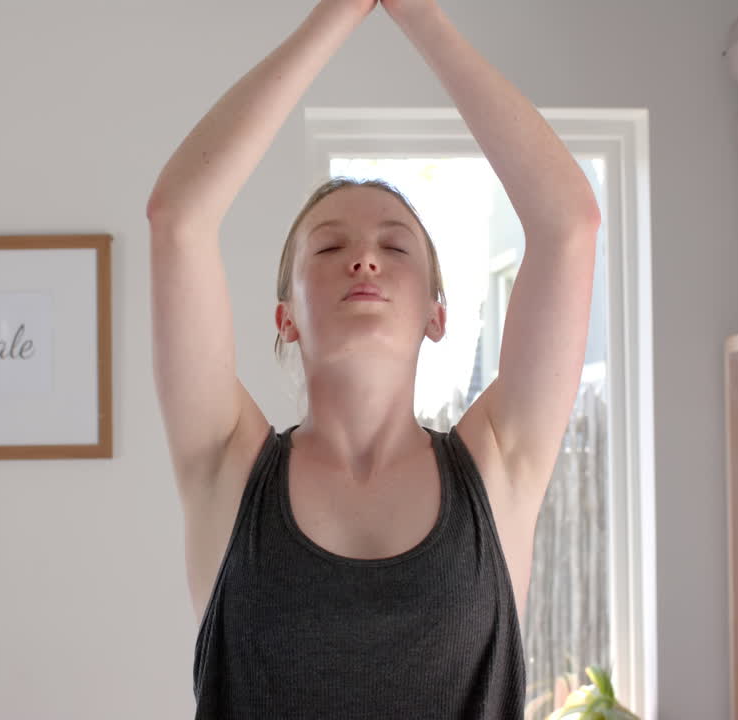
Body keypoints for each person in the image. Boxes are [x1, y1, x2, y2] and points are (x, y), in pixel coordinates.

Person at [145, 1, 600, 717]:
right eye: (328, 247)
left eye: (395, 247)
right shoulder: (227, 466)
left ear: (437, 314)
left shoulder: (499, 465)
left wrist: (418, 14)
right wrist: (340, 10)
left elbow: (570, 223)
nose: (363, 256)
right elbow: (179, 218)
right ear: (285, 318)